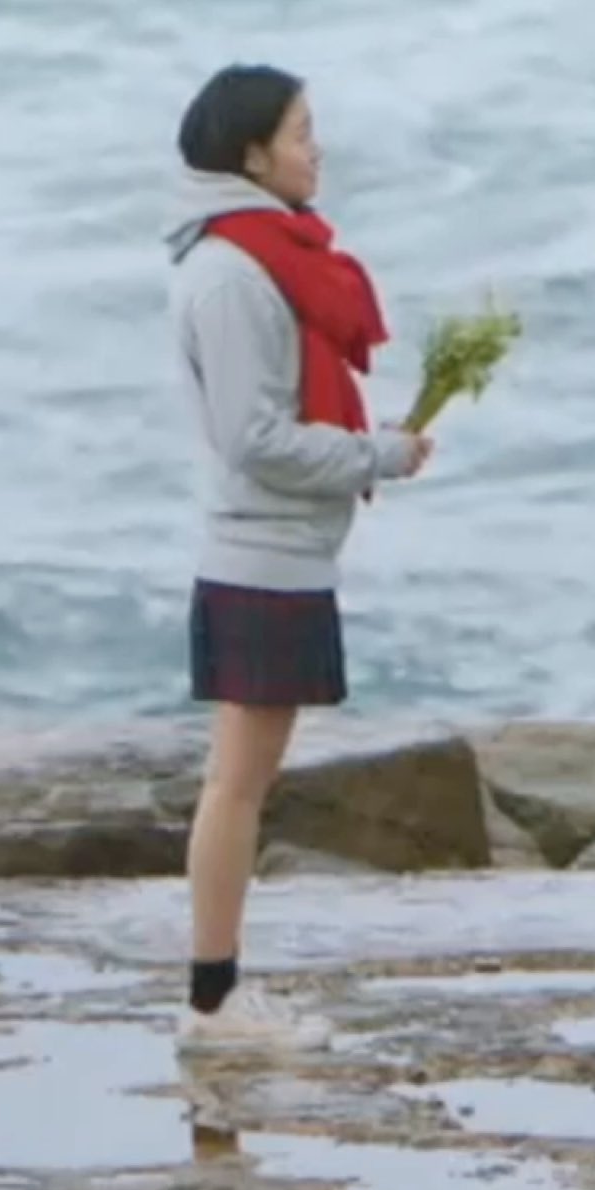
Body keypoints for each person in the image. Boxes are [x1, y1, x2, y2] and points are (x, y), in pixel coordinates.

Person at [164, 61, 432, 1055]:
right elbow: (255, 437)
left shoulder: (255, 256)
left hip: (278, 551)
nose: (316, 149)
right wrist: (379, 456)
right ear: (249, 155)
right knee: (236, 784)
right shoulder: (234, 273)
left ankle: (216, 992)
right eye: (301, 133)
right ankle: (213, 1001)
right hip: (258, 554)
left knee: (240, 781)